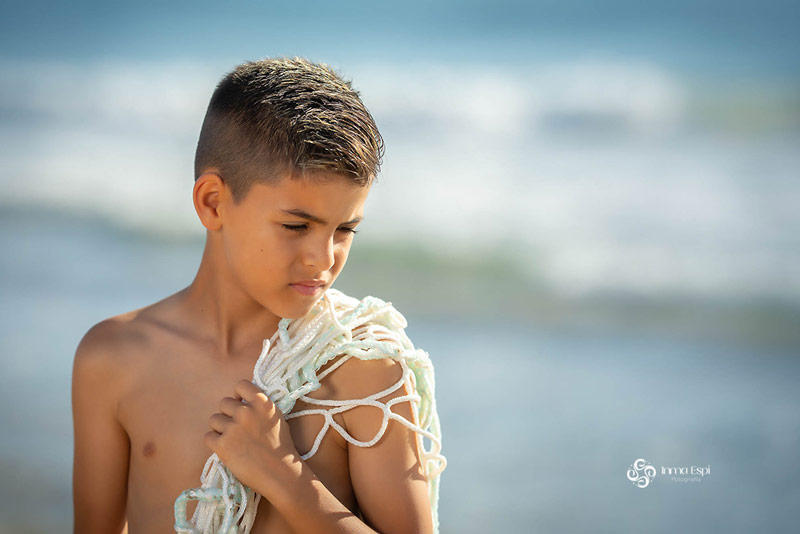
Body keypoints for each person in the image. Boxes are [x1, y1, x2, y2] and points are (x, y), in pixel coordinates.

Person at [71, 57, 445, 534]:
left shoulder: (362, 370)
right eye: (296, 226)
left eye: (345, 229)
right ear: (213, 203)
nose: (323, 258)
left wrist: (283, 475)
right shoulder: (113, 360)